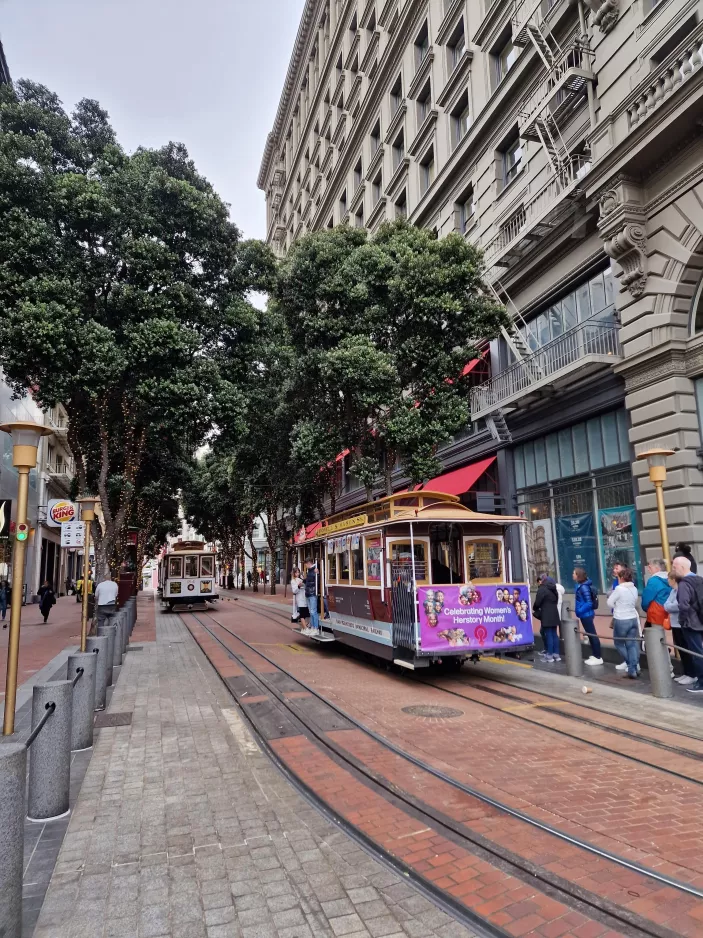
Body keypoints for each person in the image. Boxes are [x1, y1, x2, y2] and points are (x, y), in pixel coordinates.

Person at [671, 556, 703, 693]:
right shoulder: (699, 579)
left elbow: (683, 605)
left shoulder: (684, 584)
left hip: (691, 623)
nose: (673, 569)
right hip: (701, 620)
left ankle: (701, 682)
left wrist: (682, 620)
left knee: (696, 653)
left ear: (682, 568)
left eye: (674, 567)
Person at [665, 570, 697, 686]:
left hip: (681, 623)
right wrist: (669, 606)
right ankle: (686, 672)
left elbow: (678, 605)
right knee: (680, 648)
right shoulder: (673, 591)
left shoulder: (680, 590)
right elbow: (666, 604)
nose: (667, 581)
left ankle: (692, 674)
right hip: (674, 623)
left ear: (673, 579)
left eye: (668, 578)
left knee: (686, 648)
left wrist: (669, 606)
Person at [607, 566, 640, 678]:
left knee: (619, 643)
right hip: (633, 618)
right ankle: (634, 667)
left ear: (621, 578)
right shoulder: (634, 589)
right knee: (631, 644)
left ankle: (631, 665)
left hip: (621, 618)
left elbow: (610, 602)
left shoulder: (619, 589)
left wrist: (617, 606)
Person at [573, 568, 603, 666]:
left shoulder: (583, 587)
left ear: (578, 575)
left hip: (586, 615)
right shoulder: (581, 586)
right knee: (590, 635)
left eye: (574, 573)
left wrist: (579, 610)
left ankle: (598, 656)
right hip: (585, 614)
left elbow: (589, 603)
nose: (572, 575)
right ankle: (595, 655)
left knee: (592, 635)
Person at [532, 574, 561, 662]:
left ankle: (549, 656)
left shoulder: (542, 589)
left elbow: (537, 602)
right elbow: (556, 600)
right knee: (554, 634)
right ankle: (556, 655)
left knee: (548, 635)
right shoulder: (553, 589)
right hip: (554, 613)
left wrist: (535, 608)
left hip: (546, 614)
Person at [641, 559, 671, 627]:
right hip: (668, 612)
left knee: (655, 635)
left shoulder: (653, 580)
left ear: (657, 568)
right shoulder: (669, 578)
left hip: (656, 613)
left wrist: (646, 608)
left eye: (650, 567)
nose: (648, 569)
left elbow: (646, 598)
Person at [303, 559, 320, 635]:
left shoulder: (314, 570)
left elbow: (317, 580)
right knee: (311, 611)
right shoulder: (310, 570)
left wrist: (318, 573)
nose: (305, 566)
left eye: (306, 564)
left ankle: (315, 628)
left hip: (312, 593)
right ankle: (313, 627)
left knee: (313, 611)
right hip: (309, 593)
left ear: (308, 563)